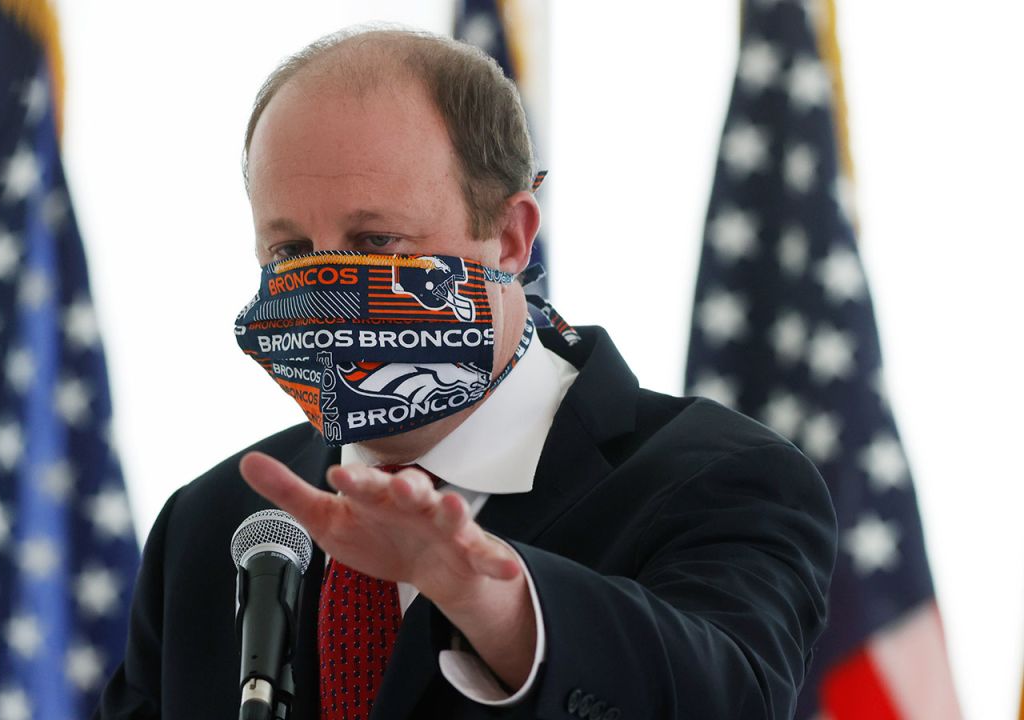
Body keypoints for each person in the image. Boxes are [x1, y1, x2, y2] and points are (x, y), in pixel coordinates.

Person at [96, 27, 835, 720]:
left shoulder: (723, 479)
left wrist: (503, 608)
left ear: (509, 239)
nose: (324, 283)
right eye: (290, 251)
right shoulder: (216, 524)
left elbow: (726, 695)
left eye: (375, 240)